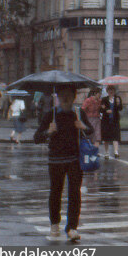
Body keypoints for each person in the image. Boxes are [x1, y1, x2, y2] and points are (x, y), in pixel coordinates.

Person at [34, 85, 93, 243]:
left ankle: (72, 227)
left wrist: (83, 127)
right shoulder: (50, 114)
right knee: (55, 192)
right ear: (58, 97)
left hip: (74, 159)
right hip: (55, 160)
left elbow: (91, 130)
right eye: (62, 95)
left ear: (74, 97)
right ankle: (54, 224)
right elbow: (36, 137)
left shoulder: (78, 113)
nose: (65, 98)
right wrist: (48, 132)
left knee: (75, 193)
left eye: (68, 95)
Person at [100, 85, 123, 158]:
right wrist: (106, 110)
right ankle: (106, 153)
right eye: (109, 90)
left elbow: (120, 109)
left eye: (112, 90)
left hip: (115, 120)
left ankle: (116, 152)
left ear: (114, 91)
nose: (111, 91)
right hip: (106, 121)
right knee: (106, 137)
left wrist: (118, 103)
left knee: (115, 136)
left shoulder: (117, 98)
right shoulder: (104, 99)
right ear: (107, 91)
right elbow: (101, 109)